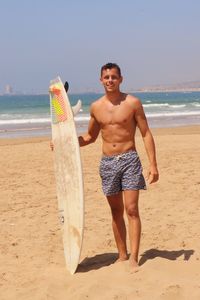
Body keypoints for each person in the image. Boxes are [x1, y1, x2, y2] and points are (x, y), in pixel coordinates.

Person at [51, 62, 159, 270]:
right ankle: (121, 255)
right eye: (106, 77)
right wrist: (65, 140)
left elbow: (145, 133)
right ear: (101, 80)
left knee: (132, 209)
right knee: (116, 211)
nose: (110, 80)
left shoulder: (133, 103)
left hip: (129, 160)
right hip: (108, 163)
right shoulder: (96, 107)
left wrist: (153, 164)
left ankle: (134, 257)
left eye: (114, 77)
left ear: (121, 79)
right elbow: (90, 137)